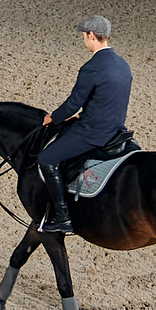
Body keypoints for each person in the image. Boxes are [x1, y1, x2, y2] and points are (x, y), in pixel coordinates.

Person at [32, 16, 132, 236]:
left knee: (46, 159)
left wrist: (54, 117)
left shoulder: (91, 68)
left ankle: (61, 217)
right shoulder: (122, 64)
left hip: (94, 132)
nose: (83, 41)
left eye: (83, 36)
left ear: (91, 35)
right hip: (116, 128)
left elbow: (73, 104)